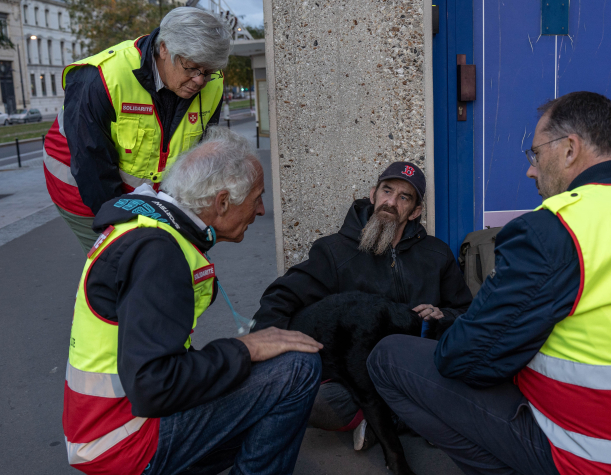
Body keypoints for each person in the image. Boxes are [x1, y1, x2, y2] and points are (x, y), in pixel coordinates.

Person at [367, 91, 611, 474]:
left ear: (569, 149)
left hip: (597, 460)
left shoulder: (558, 228)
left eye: (535, 154)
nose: (531, 170)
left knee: (388, 357)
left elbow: (467, 359)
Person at [62, 127, 322, 475]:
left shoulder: (149, 226)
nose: (261, 210)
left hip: (106, 429)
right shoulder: (158, 254)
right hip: (126, 442)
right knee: (297, 370)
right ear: (223, 202)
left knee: (264, 381)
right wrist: (245, 350)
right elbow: (155, 387)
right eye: (257, 197)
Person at [252, 161, 473, 450]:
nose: (391, 202)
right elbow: (281, 297)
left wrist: (443, 315)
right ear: (373, 194)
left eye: (404, 197)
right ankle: (413, 418)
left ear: (416, 211)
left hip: (420, 369)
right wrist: (264, 350)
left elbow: (468, 313)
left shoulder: (437, 254)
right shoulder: (333, 251)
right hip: (358, 379)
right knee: (317, 402)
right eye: (387, 190)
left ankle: (387, 420)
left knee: (474, 377)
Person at [43, 7, 229, 250]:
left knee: (169, 261)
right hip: (80, 190)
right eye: (192, 69)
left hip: (146, 195)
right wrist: (125, 232)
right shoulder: (100, 78)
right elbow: (92, 169)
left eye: (208, 71)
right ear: (164, 48)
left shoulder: (211, 83)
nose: (200, 81)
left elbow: (199, 157)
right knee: (127, 264)